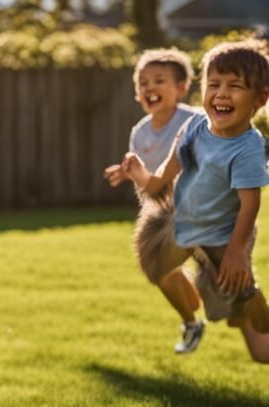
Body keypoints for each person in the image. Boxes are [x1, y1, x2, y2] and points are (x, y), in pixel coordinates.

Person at [123, 39, 269, 363]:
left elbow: (250, 205)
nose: (221, 93)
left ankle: (251, 306)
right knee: (155, 263)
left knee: (243, 311)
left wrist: (235, 251)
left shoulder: (246, 148)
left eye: (235, 86)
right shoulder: (194, 127)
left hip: (223, 234)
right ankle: (195, 316)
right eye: (214, 84)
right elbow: (162, 177)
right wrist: (138, 175)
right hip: (185, 220)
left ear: (259, 100)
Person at [104, 48, 203, 354]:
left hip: (204, 209)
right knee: (159, 270)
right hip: (166, 215)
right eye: (143, 83)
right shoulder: (141, 133)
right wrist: (130, 172)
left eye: (159, 80)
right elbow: (147, 179)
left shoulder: (196, 120)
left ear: (182, 88)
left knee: (222, 288)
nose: (150, 88)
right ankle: (191, 323)